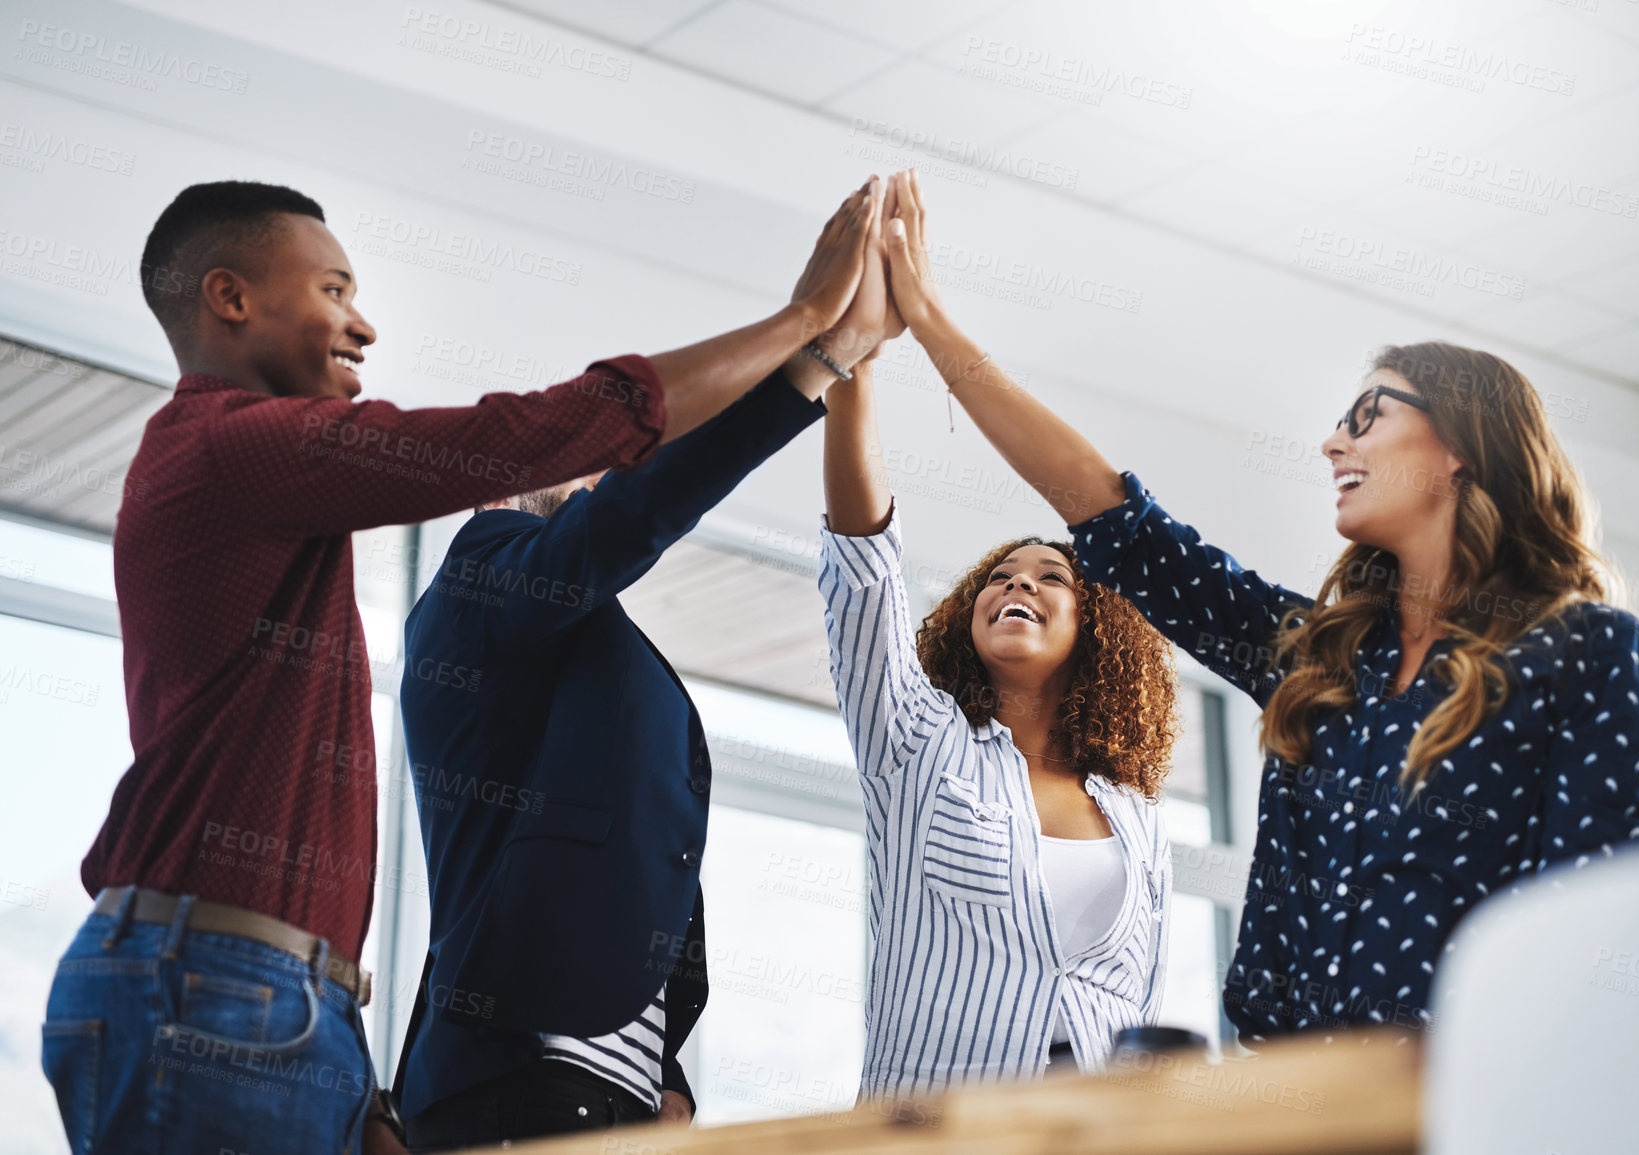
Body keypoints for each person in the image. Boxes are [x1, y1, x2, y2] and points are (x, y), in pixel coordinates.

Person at [41, 178, 875, 1154]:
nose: (364, 326)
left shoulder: (254, 485)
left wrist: (355, 1083)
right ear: (231, 299)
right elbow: (517, 446)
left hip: (276, 995)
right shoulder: (229, 446)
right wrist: (806, 326)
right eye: (335, 292)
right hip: (215, 985)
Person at [875, 169, 1639, 1043]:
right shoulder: (1322, 658)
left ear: (1461, 445)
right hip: (1295, 1108)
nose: (1333, 439)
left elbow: (1585, 943)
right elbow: (1114, 517)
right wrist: (927, 323)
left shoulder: (1589, 656)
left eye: (1369, 414)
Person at [392, 181, 892, 1150]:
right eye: (576, 464)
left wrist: (663, 1068)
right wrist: (811, 361)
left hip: (608, 1092)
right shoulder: (480, 580)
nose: (596, 481)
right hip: (524, 1079)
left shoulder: (571, 648)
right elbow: (627, 521)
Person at [816, 183, 1182, 1095]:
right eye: (1000, 577)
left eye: (1049, 577)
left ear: (1097, 634)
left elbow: (1137, 1009)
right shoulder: (916, 746)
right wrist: (856, 358)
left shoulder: (1135, 816)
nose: (1017, 583)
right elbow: (863, 567)